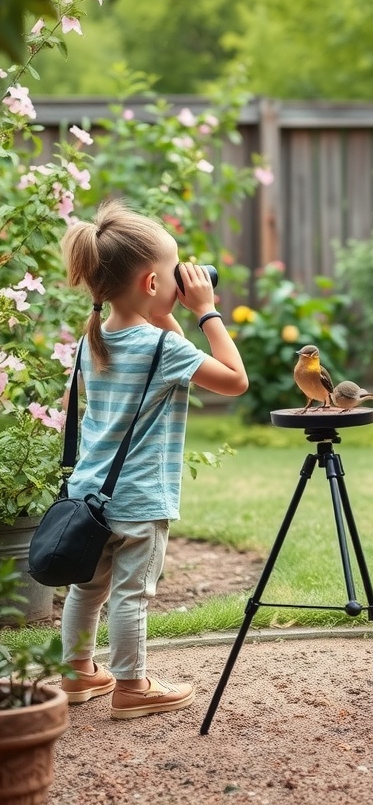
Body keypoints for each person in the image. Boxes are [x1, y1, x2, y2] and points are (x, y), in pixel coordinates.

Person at [58, 200, 249, 720]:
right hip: (141, 499)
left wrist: (166, 311)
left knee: (89, 588)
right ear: (149, 283)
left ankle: (76, 672)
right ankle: (132, 687)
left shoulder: (90, 341)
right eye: (173, 272)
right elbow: (235, 380)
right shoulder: (160, 348)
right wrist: (207, 310)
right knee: (132, 594)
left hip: (89, 496)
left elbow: (166, 348)